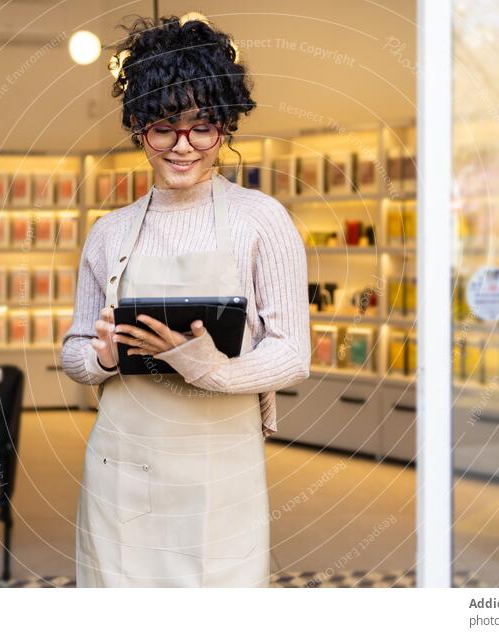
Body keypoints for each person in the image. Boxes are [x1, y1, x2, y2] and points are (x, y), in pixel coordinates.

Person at [61, 15, 310, 587]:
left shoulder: (262, 220)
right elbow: (74, 354)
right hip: (120, 477)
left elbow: (294, 352)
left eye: (203, 127)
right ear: (137, 127)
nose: (183, 146)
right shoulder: (109, 233)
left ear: (226, 126)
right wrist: (100, 357)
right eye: (163, 126)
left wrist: (211, 369)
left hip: (218, 482)